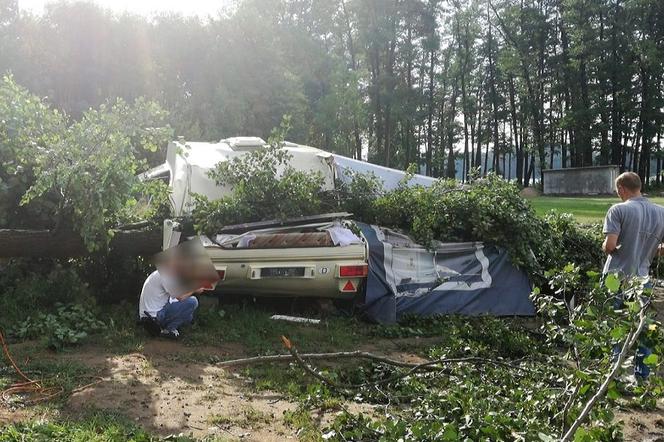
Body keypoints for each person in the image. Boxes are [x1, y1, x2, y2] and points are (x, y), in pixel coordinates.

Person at [602, 171, 664, 379]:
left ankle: (614, 374)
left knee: (614, 324)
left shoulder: (618, 210)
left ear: (621, 188)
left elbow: (611, 245)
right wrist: (650, 248)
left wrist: (605, 246)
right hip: (642, 278)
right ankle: (642, 376)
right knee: (641, 327)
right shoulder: (660, 212)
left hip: (616, 277)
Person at [138, 269, 202, 339]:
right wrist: (194, 289)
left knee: (189, 317)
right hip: (154, 317)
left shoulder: (161, 273)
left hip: (147, 316)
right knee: (193, 302)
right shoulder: (166, 276)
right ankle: (168, 330)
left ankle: (162, 328)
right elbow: (180, 297)